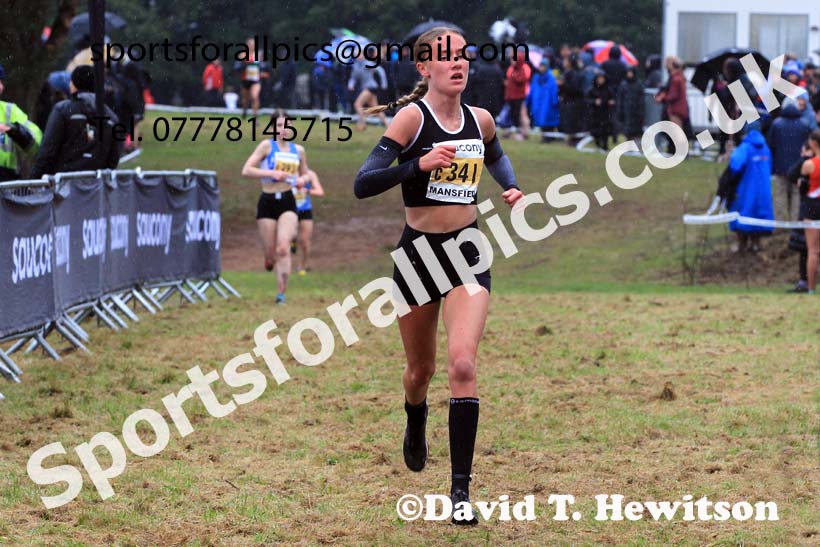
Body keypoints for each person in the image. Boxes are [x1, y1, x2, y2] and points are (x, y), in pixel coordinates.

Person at [354, 27, 524, 525]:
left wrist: (510, 187)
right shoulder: (412, 118)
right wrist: (417, 164)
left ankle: (460, 493)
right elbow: (364, 183)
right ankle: (414, 416)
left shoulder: (481, 119)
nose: (459, 63)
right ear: (424, 68)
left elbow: (495, 154)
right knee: (420, 372)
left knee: (464, 366)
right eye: (445, 57)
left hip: (467, 251)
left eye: (463, 56)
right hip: (417, 257)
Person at [241, 109, 312, 304]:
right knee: (271, 253)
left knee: (283, 248)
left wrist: (301, 180)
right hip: (267, 200)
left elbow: (306, 175)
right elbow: (246, 170)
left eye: (287, 125)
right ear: (273, 127)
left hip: (288, 201)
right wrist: (272, 173)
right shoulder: (266, 146)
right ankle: (269, 259)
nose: (284, 129)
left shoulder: (298, 150)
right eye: (280, 125)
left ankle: (281, 294)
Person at [31, 65, 119, 178]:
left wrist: (33, 181)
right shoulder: (111, 118)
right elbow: (113, 159)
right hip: (96, 188)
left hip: (64, 186)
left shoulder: (63, 110)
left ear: (74, 85)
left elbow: (47, 151)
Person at [727, 121, 774, 253]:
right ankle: (756, 243)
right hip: (763, 189)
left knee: (743, 212)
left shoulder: (745, 147)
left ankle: (742, 244)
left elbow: (735, 165)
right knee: (759, 214)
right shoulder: (765, 148)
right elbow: (770, 166)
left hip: (746, 187)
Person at [767, 98, 811, 221]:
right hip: (799, 166)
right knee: (796, 193)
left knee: (780, 193)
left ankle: (780, 221)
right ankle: (795, 221)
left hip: (780, 166)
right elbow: (808, 146)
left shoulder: (777, 124)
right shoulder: (804, 123)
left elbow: (771, 145)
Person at [0, 63, 43, 181]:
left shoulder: (9, 110)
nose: (1, 87)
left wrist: (14, 130)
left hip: (6, 181)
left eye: (2, 82)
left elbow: (36, 143)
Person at [786, 140, 814, 293]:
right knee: (806, 250)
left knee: (809, 250)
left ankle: (806, 282)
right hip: (808, 210)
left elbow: (792, 174)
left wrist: (804, 158)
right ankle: (805, 281)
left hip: (810, 210)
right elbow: (792, 176)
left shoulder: (809, 163)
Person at [799, 130, 820, 293]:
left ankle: (811, 288)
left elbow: (802, 188)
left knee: (812, 250)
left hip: (812, 207)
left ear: (813, 143)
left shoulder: (808, 164)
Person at [293, 168, 325, 275]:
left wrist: (307, 191)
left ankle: (302, 267)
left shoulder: (310, 174)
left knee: (305, 242)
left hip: (305, 210)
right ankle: (292, 241)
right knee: (290, 234)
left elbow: (320, 191)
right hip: (288, 209)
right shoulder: (286, 172)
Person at [349, 52, 389, 131]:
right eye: (357, 55)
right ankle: (388, 125)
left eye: (360, 54)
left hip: (370, 87)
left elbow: (380, 70)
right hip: (368, 88)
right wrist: (351, 85)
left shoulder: (367, 63)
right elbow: (353, 78)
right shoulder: (356, 66)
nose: (359, 56)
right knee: (375, 109)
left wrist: (384, 83)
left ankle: (362, 124)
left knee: (357, 104)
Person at [526, 58, 560, 141]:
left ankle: (549, 137)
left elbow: (553, 90)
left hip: (547, 102)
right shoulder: (536, 77)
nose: (541, 68)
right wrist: (528, 100)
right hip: (538, 102)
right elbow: (532, 90)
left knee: (548, 119)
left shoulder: (551, 78)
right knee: (540, 118)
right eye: (540, 66)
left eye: (543, 66)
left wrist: (555, 101)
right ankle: (545, 136)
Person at [236, 37, 270, 118]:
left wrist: (262, 73)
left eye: (253, 44)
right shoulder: (242, 55)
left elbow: (263, 66)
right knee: (245, 100)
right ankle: (244, 111)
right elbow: (238, 67)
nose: (251, 46)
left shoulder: (258, 55)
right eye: (250, 44)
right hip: (245, 80)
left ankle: (255, 116)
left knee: (255, 97)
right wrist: (244, 63)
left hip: (255, 80)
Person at [558, 54, 585, 146]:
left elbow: (575, 89)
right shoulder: (567, 72)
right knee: (569, 121)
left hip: (574, 102)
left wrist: (563, 85)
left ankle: (575, 139)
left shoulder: (574, 74)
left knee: (574, 122)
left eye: (566, 60)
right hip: (568, 101)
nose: (564, 62)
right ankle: (571, 138)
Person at [502, 54, 531, 140]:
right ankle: (514, 131)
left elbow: (521, 79)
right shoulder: (511, 68)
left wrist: (514, 76)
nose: (512, 61)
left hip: (520, 96)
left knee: (521, 115)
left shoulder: (523, 69)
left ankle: (523, 133)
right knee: (513, 115)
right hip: (511, 97)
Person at [616, 67, 644, 149]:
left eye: (630, 72)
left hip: (635, 111)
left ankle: (635, 147)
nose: (629, 74)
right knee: (627, 130)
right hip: (626, 111)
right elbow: (620, 98)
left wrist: (640, 111)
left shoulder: (638, 84)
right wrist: (620, 110)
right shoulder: (623, 84)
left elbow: (641, 100)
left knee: (636, 131)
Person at [586, 72, 614, 151]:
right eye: (599, 79)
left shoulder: (608, 90)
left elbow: (613, 99)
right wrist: (594, 101)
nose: (600, 80)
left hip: (605, 113)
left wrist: (611, 102)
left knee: (605, 130)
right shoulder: (592, 89)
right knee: (596, 130)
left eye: (602, 79)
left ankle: (605, 145)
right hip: (595, 113)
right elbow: (587, 100)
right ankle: (598, 144)